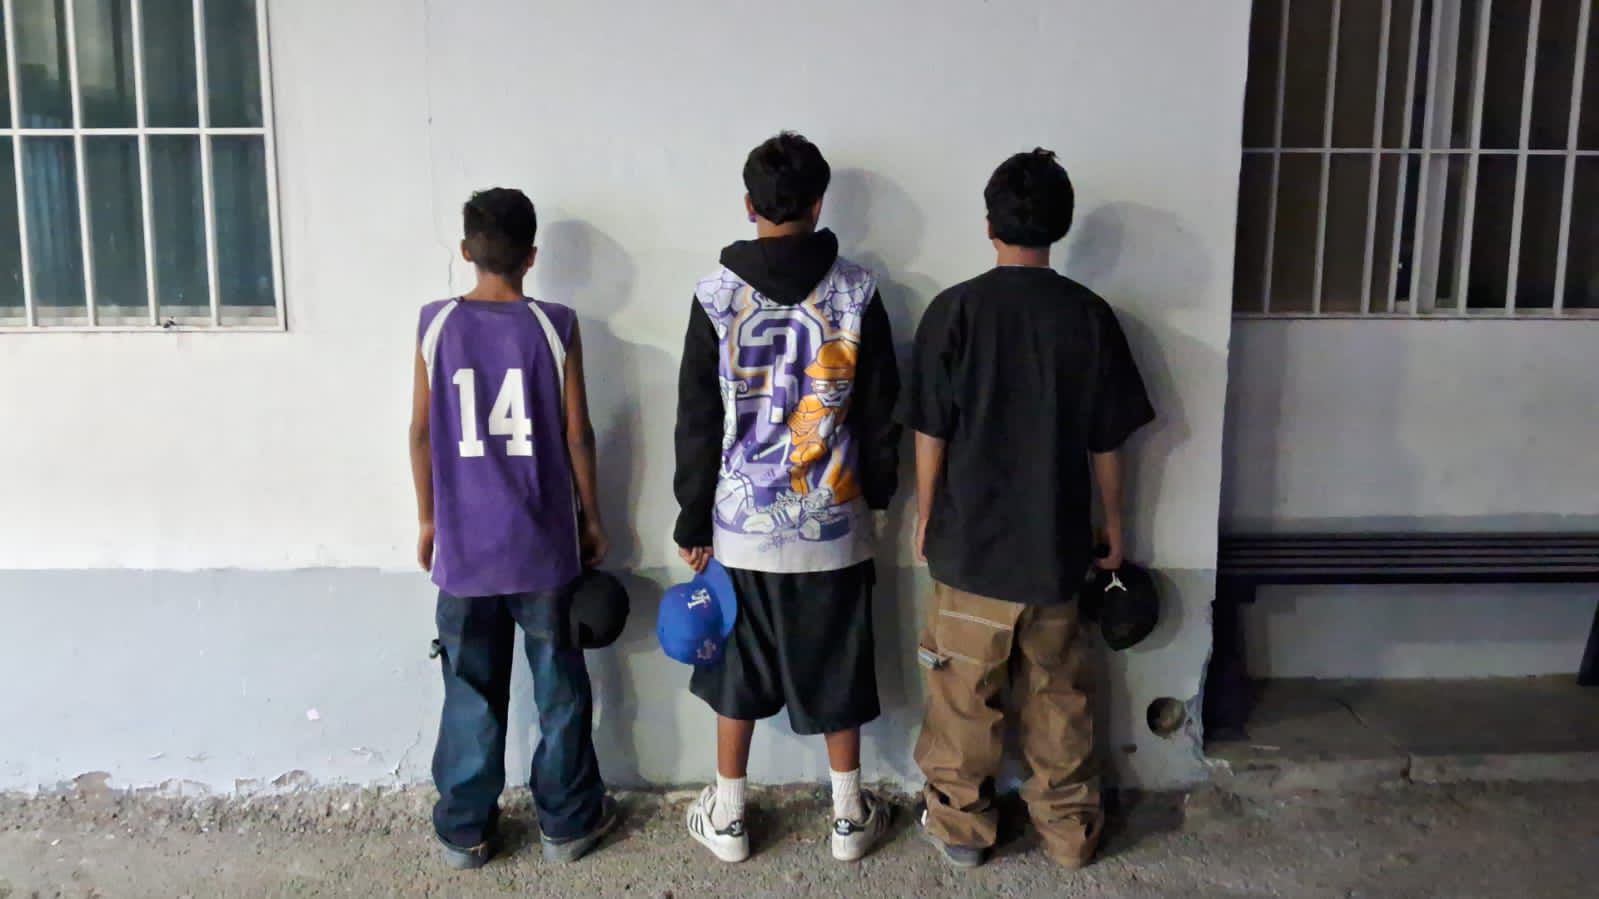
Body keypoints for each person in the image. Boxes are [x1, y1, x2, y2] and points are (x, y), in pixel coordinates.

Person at [904, 149, 1154, 870]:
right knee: (1059, 699)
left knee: (961, 699)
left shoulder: (954, 311)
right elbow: (1107, 440)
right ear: (1060, 226)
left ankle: (961, 830)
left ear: (989, 225)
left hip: (969, 548)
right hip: (1055, 549)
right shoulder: (1089, 316)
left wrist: (927, 513)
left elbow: (930, 429)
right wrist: (1114, 525)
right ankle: (1070, 832)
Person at [673, 132, 902, 863]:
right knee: (837, 665)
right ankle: (848, 817)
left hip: (740, 527)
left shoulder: (715, 296)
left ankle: (729, 817)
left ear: (749, 205)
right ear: (818, 204)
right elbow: (881, 410)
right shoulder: (857, 291)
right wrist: (879, 497)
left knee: (735, 671)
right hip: (833, 520)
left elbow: (697, 418)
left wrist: (691, 516)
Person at [409, 188, 618, 869]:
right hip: (543, 545)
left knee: (469, 689)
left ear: (465, 251)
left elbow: (420, 433)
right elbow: (578, 433)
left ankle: (465, 830)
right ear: (532, 256)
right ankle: (567, 824)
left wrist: (428, 519)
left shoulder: (435, 323)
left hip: (465, 548)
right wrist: (592, 517)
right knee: (559, 687)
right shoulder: (555, 325)